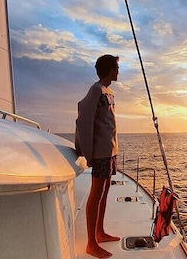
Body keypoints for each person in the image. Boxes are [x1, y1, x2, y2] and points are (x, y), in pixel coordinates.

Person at [75, 54, 120, 258]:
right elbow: (84, 121)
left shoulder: (108, 91)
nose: (118, 71)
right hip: (100, 153)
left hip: (110, 152)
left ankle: (100, 233)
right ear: (110, 70)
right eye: (116, 68)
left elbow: (108, 124)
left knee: (105, 190)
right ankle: (91, 243)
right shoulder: (95, 90)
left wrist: (115, 152)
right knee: (96, 193)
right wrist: (88, 153)